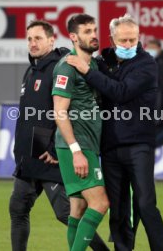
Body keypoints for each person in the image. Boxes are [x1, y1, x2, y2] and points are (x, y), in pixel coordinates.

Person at [66, 14, 163, 251]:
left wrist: (88, 71)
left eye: (132, 40)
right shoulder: (105, 60)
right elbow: (89, 61)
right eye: (123, 40)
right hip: (110, 146)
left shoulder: (147, 64)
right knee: (118, 208)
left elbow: (121, 92)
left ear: (139, 37)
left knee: (145, 204)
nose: (128, 45)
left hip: (138, 145)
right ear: (112, 38)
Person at [9, 20, 109, 251]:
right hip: (28, 159)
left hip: (51, 157)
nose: (33, 43)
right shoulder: (31, 70)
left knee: (68, 212)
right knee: (18, 210)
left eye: (38, 38)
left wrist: (57, 148)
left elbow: (63, 111)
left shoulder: (61, 65)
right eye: (29, 39)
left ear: (52, 40)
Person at [52, 14, 110, 251]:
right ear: (74, 37)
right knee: (100, 202)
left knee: (78, 208)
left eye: (94, 30)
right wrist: (76, 151)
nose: (94, 35)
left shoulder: (92, 65)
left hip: (88, 144)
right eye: (87, 31)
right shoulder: (67, 66)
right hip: (77, 145)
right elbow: (59, 111)